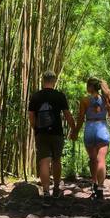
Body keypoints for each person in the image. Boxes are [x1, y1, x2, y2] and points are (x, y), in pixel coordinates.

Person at [28, 70, 75, 207]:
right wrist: (74, 128)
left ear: (43, 80)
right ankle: (55, 190)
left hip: (41, 133)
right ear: (54, 81)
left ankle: (46, 193)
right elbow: (67, 114)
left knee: (43, 161)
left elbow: (31, 115)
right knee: (56, 160)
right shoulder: (59, 96)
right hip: (57, 133)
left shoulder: (36, 96)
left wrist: (35, 128)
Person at [72, 77, 110, 200]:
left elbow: (80, 118)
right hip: (102, 129)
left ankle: (94, 183)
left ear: (89, 87)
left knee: (93, 159)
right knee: (101, 160)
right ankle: (100, 188)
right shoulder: (106, 99)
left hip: (89, 129)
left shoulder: (84, 100)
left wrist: (75, 132)